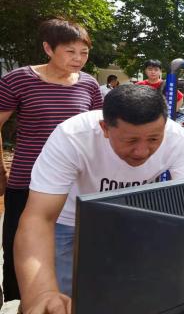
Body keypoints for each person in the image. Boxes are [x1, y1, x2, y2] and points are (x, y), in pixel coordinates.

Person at [15, 84, 184, 313]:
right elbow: (39, 218)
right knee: (61, 299)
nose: (142, 151)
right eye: (130, 141)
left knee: (119, 295)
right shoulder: (72, 136)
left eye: (153, 139)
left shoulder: (176, 138)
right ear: (105, 128)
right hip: (67, 221)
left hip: (129, 221)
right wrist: (40, 294)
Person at [0, 18, 102, 302]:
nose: (78, 58)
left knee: (72, 254)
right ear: (48, 48)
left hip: (75, 185)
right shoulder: (18, 80)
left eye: (84, 52)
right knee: (20, 250)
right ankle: (21, 304)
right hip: (28, 182)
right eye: (70, 51)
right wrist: (1, 170)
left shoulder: (89, 85)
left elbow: (100, 131)